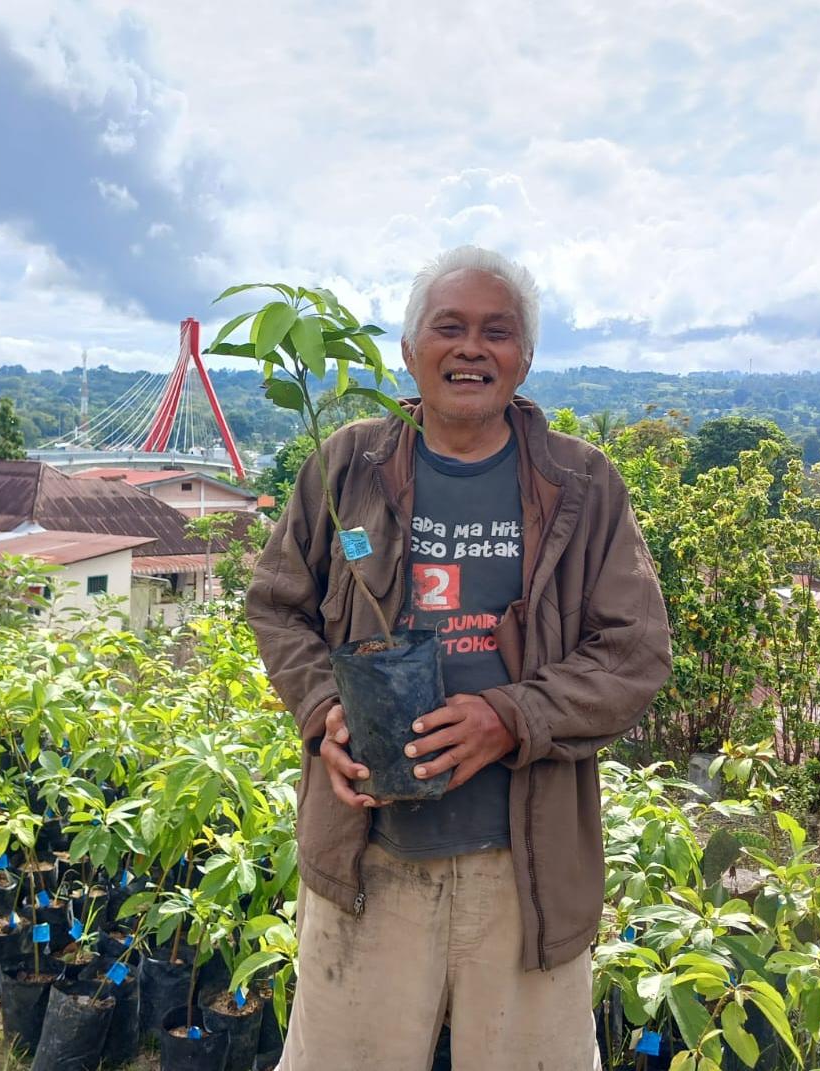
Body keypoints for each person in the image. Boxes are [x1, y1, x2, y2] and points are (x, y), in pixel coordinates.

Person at [246, 246, 672, 1070]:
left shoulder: (580, 483)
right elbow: (277, 604)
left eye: (497, 331)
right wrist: (321, 712)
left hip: (524, 868)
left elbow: (634, 651)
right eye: (449, 327)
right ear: (408, 352)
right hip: (369, 854)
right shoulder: (348, 465)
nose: (472, 348)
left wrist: (510, 718)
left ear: (525, 357)